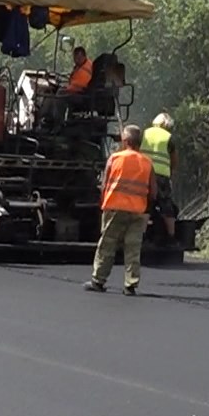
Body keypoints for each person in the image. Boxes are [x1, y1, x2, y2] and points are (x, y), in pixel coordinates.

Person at [84, 125, 155, 294]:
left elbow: (104, 185)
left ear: (126, 141)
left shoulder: (115, 159)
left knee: (107, 245)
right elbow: (153, 191)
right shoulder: (147, 162)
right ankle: (131, 284)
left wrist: (103, 203)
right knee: (133, 247)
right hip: (138, 211)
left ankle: (98, 280)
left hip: (115, 208)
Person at [145, 112, 176, 239]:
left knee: (146, 205)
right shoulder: (168, 137)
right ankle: (171, 236)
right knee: (166, 206)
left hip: (144, 174)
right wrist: (171, 173)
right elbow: (174, 159)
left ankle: (142, 235)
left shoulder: (144, 133)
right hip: (161, 176)